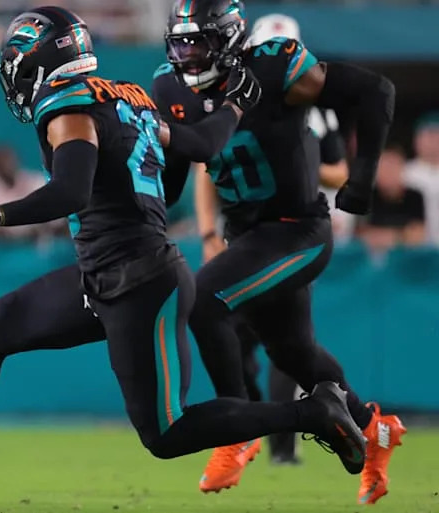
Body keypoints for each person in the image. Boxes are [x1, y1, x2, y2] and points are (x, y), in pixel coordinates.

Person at [0, 7, 365, 513]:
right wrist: (234, 106)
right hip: (108, 273)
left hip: (140, 280)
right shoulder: (127, 96)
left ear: (38, 62)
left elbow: (70, 192)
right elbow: (201, 145)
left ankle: (314, 411)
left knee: (167, 433)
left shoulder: (66, 105)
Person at [151, 0, 404, 503]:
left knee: (203, 301)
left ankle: (238, 426)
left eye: (197, 42)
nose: (186, 55)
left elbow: (377, 90)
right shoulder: (169, 85)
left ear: (225, 38)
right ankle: (376, 430)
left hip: (297, 231)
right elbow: (176, 173)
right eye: (178, 43)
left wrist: (363, 176)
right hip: (246, 237)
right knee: (294, 354)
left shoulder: (273, 63)